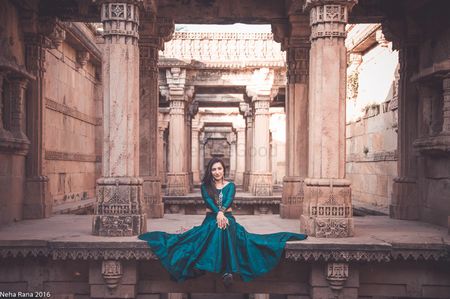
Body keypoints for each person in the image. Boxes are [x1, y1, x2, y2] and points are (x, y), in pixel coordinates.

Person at [138, 157, 307, 285]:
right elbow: (208, 202)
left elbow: (228, 200)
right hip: (211, 218)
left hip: (228, 217)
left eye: (219, 169)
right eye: (213, 169)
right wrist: (219, 214)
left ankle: (222, 269)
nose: (217, 172)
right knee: (217, 227)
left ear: (223, 170)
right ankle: (226, 270)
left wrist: (222, 212)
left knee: (225, 226)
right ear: (210, 172)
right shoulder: (205, 187)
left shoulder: (231, 186)